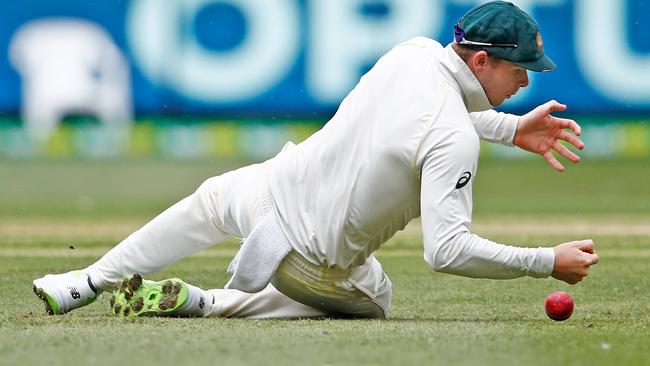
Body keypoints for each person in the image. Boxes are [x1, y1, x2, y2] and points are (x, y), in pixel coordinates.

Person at [32, 1, 599, 319]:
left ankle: (81, 282)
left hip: (260, 192)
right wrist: (546, 260)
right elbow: (445, 252)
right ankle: (212, 302)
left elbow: (415, 124)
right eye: (521, 69)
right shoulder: (454, 139)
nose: (525, 81)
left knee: (205, 202)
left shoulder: (412, 54)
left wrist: (509, 128)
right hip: (299, 263)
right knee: (377, 296)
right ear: (481, 60)